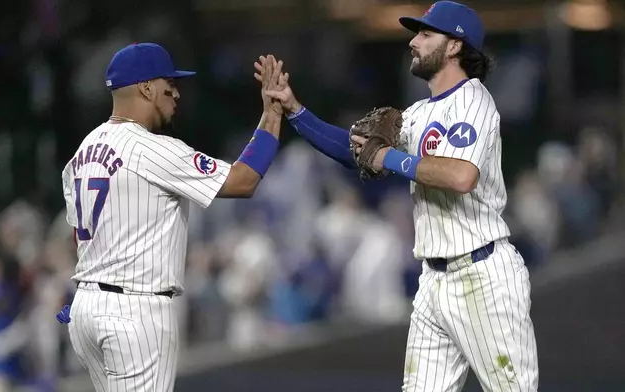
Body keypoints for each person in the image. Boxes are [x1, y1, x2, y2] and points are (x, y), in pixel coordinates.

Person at [255, 1, 539, 391]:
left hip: (483, 275)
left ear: (454, 45)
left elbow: (460, 176)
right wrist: (295, 110)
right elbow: (354, 150)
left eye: (425, 34)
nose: (413, 41)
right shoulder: (419, 113)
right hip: (433, 281)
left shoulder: (473, 100)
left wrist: (389, 156)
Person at [56, 43, 284, 392]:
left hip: (86, 306)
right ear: (146, 88)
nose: (176, 93)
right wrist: (272, 115)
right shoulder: (153, 148)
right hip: (135, 311)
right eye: (169, 84)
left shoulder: (83, 150)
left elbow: (78, 237)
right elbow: (243, 180)